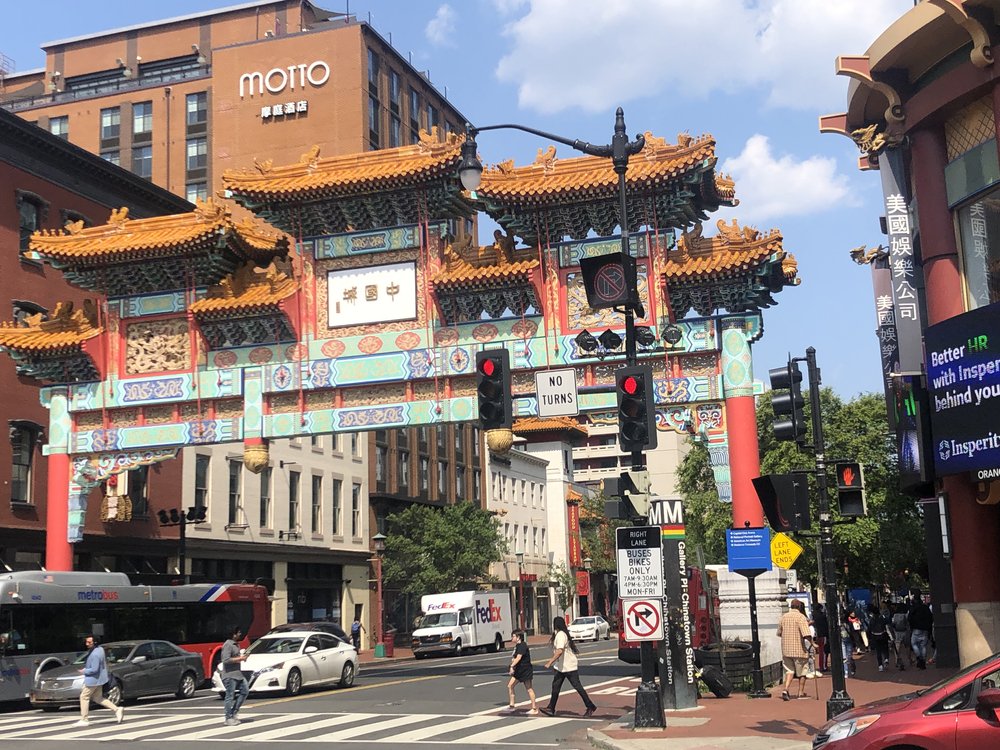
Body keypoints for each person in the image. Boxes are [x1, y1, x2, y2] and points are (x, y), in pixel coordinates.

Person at [539, 616, 597, 717]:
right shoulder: (560, 634)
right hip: (562, 666)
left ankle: (590, 706)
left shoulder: (561, 635)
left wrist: (550, 662)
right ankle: (551, 708)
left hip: (568, 666)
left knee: (577, 687)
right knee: (555, 687)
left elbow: (559, 651)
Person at [75, 634, 124, 727]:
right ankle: (117, 709)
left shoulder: (95, 654)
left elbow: (94, 669)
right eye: (86, 641)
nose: (87, 644)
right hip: (99, 679)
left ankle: (84, 719)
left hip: (93, 680)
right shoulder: (100, 649)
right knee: (98, 698)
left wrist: (84, 671)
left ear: (95, 642)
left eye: (89, 642)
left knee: (84, 697)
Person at [777, 599, 813, 701]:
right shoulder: (801, 617)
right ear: (799, 607)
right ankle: (800, 693)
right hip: (799, 649)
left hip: (786, 649)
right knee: (802, 671)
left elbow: (779, 633)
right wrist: (813, 644)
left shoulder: (784, 617)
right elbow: (806, 634)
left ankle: (786, 689)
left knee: (789, 671)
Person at [504, 630, 539, 715]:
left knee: (529, 688)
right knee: (510, 685)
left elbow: (519, 657)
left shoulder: (522, 645)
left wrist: (512, 666)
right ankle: (512, 706)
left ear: (518, 637)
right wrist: (513, 666)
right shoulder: (517, 646)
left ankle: (534, 708)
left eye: (513, 636)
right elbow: (515, 658)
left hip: (525, 670)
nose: (512, 638)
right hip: (519, 670)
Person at [221, 625, 249, 726]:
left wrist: (242, 657)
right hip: (229, 675)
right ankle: (228, 717)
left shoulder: (236, 644)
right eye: (238, 632)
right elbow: (226, 660)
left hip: (238, 674)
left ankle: (234, 712)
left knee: (245, 691)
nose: (240, 634)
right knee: (230, 696)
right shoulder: (228, 645)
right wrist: (240, 659)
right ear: (234, 634)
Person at [908, 589, 934, 670]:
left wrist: (912, 626)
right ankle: (922, 659)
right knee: (923, 646)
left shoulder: (913, 608)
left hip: (916, 629)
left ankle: (919, 657)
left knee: (914, 643)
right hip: (925, 629)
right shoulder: (925, 608)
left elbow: (909, 618)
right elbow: (930, 617)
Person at [867, 604, 890, 671]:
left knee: (878, 651)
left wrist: (869, 638)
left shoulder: (872, 620)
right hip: (883, 635)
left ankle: (880, 666)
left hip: (875, 637)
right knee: (885, 649)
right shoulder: (882, 618)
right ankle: (886, 659)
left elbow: (869, 629)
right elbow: (888, 623)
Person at [890, 602, 912, 670]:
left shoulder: (895, 615)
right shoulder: (906, 615)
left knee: (897, 647)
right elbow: (908, 624)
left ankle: (897, 660)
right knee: (907, 646)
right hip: (905, 632)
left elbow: (892, 624)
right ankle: (909, 659)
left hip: (897, 632)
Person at [811, 603, 829, 673]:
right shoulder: (822, 616)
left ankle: (822, 665)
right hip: (823, 634)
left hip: (818, 635)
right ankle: (823, 666)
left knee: (821, 650)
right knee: (823, 651)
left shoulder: (814, 615)